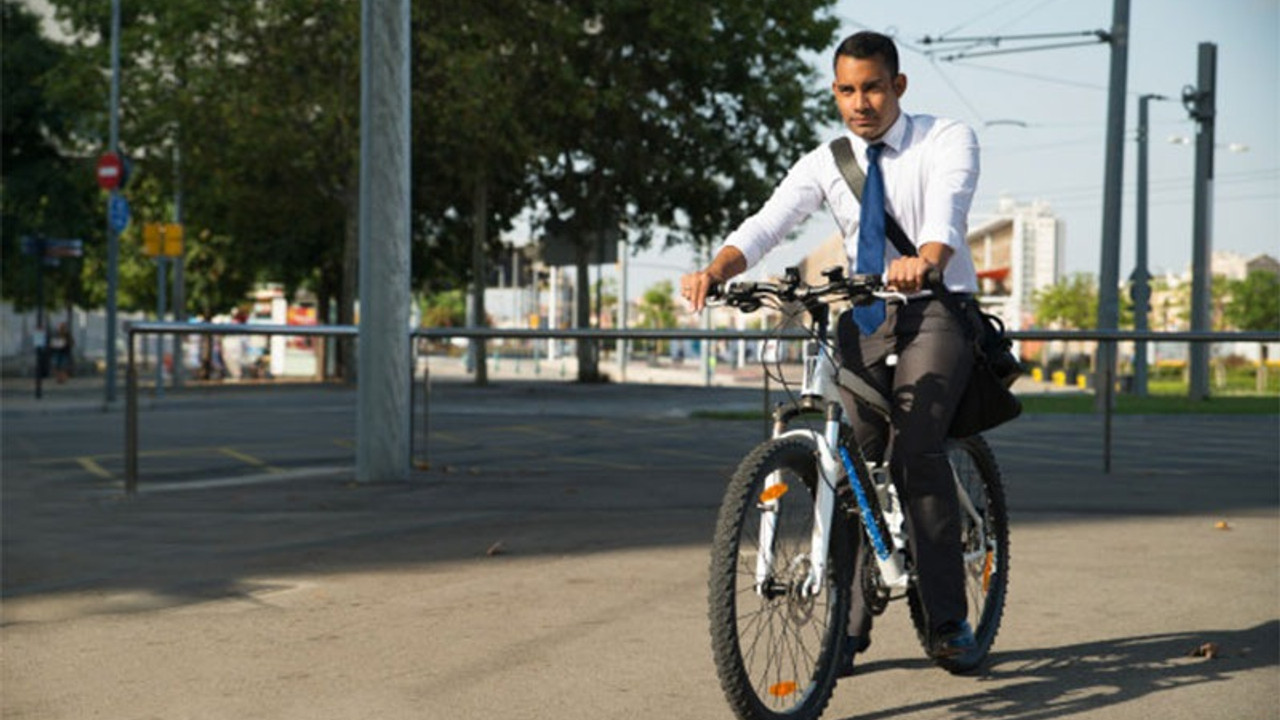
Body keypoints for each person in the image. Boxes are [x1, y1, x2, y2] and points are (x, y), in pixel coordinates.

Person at [681, 30, 981, 675]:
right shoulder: (828, 159)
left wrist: (925, 263)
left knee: (915, 448)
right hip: (865, 312)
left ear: (898, 86)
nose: (860, 102)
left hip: (934, 307)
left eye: (872, 87)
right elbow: (768, 222)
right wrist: (717, 269)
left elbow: (947, 215)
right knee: (846, 462)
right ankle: (846, 626)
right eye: (847, 90)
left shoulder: (945, 138)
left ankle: (949, 617)